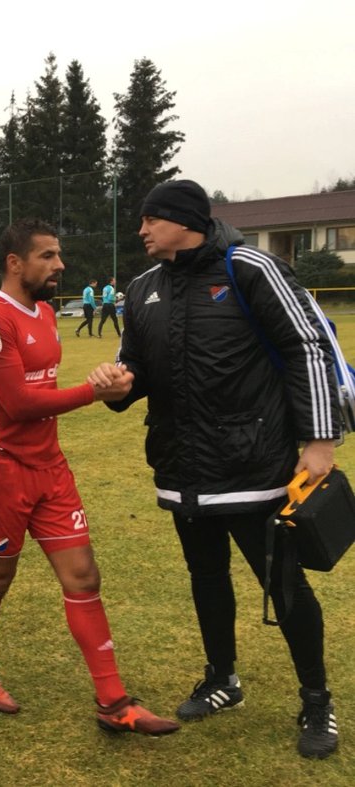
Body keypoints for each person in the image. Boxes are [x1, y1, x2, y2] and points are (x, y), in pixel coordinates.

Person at [96, 179, 340, 758]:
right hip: (182, 466)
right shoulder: (142, 288)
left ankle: (317, 701)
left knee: (282, 584)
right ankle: (222, 679)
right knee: (205, 578)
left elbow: (307, 345)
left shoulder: (249, 268)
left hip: (255, 465)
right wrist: (116, 385)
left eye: (151, 219)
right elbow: (137, 368)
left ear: (185, 220)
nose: (142, 230)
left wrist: (321, 440)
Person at [0, 218, 178, 736]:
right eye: (48, 256)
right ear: (16, 263)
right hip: (0, 471)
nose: (60, 265)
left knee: (84, 578)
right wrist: (92, 392)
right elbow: (16, 404)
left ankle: (113, 703)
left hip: (51, 470)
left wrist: (109, 376)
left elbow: (48, 386)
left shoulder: (43, 311)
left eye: (59, 255)